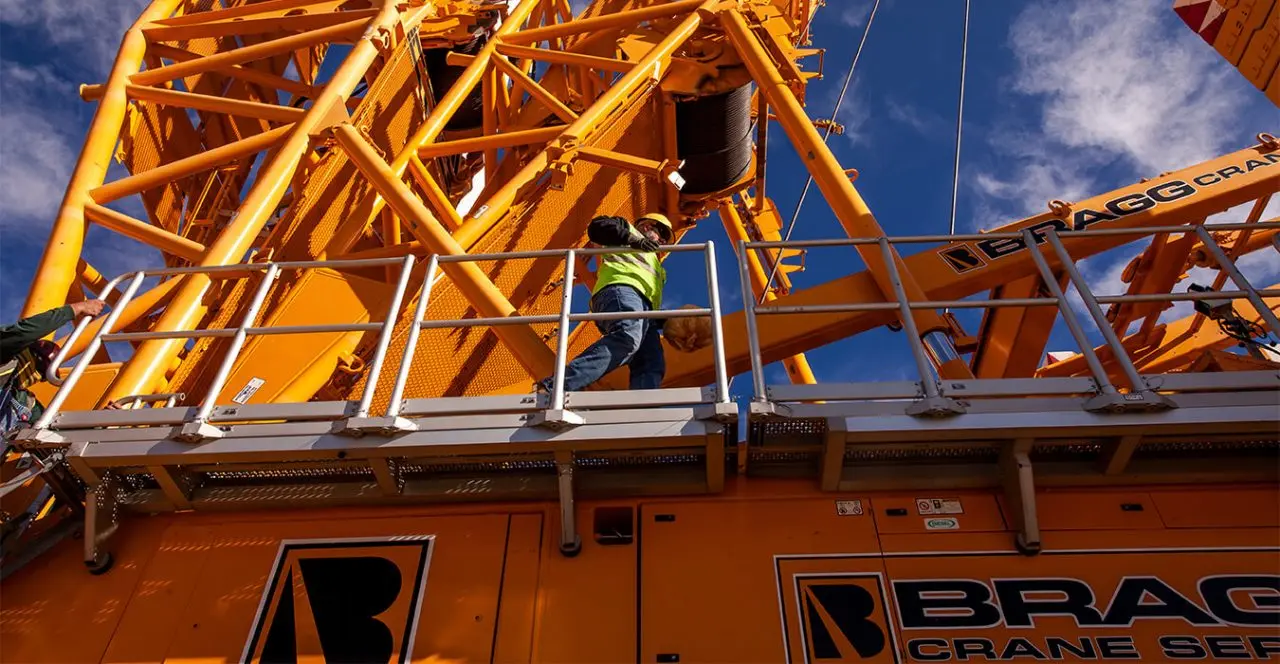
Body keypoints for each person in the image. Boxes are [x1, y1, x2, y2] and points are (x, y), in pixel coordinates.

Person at [539, 213, 673, 393]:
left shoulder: (659, 269)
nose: (663, 241)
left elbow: (650, 298)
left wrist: (668, 321)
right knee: (628, 336)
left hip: (644, 312)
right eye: (662, 233)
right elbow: (597, 227)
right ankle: (555, 388)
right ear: (647, 226)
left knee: (652, 360)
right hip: (619, 290)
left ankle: (643, 409)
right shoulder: (625, 228)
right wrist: (632, 239)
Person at [1, 300, 105, 432]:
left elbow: (56, 433)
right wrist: (76, 309)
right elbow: (24, 333)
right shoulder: (4, 356)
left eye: (41, 374)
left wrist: (103, 421)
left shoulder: (26, 403)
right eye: (39, 367)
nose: (35, 377)